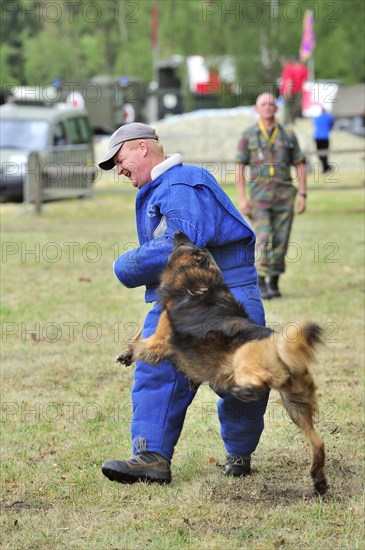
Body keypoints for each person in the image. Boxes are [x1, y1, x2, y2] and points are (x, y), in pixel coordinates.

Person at [98, 122, 269, 484]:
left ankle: (238, 452)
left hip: (225, 294)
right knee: (155, 365)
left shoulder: (180, 183)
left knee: (242, 383)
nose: (119, 169)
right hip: (183, 294)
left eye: (120, 158)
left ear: (142, 147)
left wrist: (124, 266)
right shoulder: (164, 185)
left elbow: (182, 244)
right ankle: (151, 456)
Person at [235, 93, 307, 300]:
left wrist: (303, 194)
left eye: (271, 104)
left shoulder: (288, 134)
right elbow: (240, 167)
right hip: (259, 197)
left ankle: (274, 281)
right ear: (256, 109)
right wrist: (242, 198)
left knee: (281, 240)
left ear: (276, 109)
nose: (268, 107)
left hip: (285, 196)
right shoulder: (248, 135)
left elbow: (300, 164)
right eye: (263, 104)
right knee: (263, 239)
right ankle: (261, 280)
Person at [279, 57, 309, 124]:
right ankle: (290, 121)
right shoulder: (303, 69)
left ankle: (289, 121)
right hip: (296, 90)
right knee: (293, 107)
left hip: (290, 90)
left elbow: (289, 80)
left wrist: (288, 91)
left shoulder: (289, 68)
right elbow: (304, 81)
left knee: (289, 107)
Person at [313, 106, 334, 173]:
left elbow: (315, 125)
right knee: (325, 154)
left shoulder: (316, 118)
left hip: (318, 137)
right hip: (325, 137)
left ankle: (326, 168)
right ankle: (327, 167)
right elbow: (331, 125)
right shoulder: (329, 117)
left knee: (320, 154)